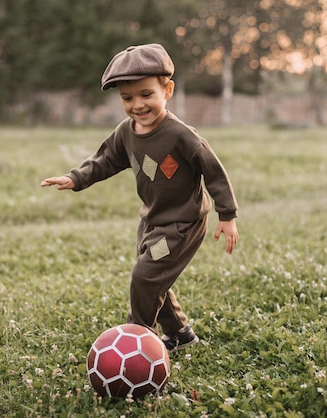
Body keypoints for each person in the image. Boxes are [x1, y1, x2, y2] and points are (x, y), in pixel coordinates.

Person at [41, 43, 239, 352]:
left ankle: (139, 341)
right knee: (154, 275)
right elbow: (105, 160)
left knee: (145, 275)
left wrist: (226, 215)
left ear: (167, 90)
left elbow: (212, 170)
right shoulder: (126, 132)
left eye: (146, 94)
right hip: (152, 220)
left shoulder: (180, 135)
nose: (138, 105)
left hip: (182, 223)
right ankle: (180, 334)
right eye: (127, 98)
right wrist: (75, 177)